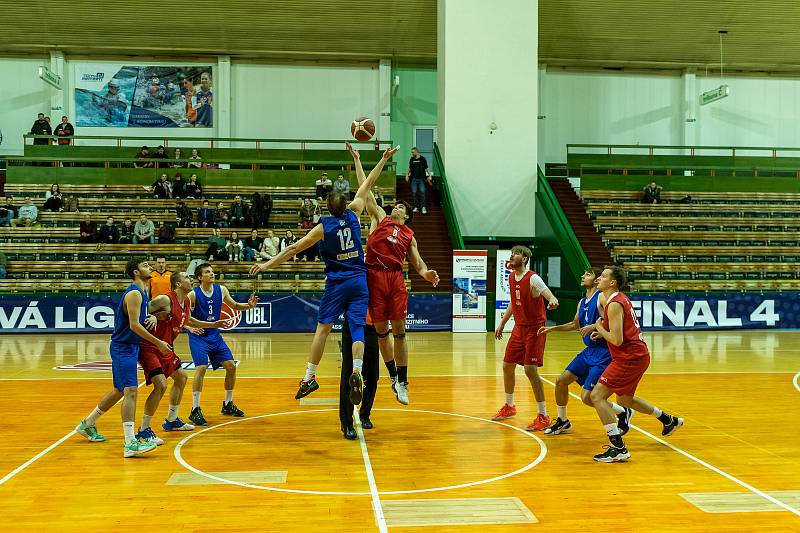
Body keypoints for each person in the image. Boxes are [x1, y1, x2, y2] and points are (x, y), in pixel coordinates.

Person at [250, 145, 400, 403]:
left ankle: (310, 377)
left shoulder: (322, 227)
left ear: (327, 208)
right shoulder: (354, 213)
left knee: (322, 329)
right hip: (358, 281)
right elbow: (369, 183)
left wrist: (266, 265)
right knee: (357, 331)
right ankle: (356, 370)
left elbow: (294, 248)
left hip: (337, 283)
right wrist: (377, 159)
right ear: (346, 204)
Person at [348, 142, 439, 405]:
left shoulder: (409, 236)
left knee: (399, 331)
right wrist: (357, 160)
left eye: (401, 207)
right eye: (396, 205)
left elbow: (418, 264)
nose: (397, 207)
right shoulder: (379, 218)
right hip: (373, 276)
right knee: (381, 333)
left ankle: (404, 380)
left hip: (395, 279)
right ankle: (392, 377)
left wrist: (427, 274)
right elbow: (365, 189)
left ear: (407, 216)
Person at [74, 258, 170, 457]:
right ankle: (130, 443)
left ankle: (87, 424)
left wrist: (154, 315)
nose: (150, 267)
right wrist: (158, 343)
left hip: (130, 347)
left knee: (119, 390)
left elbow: (144, 315)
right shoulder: (134, 293)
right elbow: (135, 325)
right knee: (131, 391)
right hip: (123, 347)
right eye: (145, 265)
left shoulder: (143, 292)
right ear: (135, 272)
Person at [589, 266, 684, 462]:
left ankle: (618, 447)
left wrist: (599, 327)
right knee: (625, 401)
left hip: (629, 357)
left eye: (604, 276)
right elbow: (619, 331)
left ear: (612, 283)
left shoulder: (614, 303)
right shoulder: (616, 299)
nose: (599, 278)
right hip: (636, 355)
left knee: (597, 396)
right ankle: (668, 420)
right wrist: (602, 330)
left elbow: (616, 340)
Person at [135, 272, 229, 444]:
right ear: (178, 284)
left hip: (166, 347)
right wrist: (154, 316)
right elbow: (138, 311)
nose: (191, 279)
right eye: (187, 277)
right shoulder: (165, 299)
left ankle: (171, 420)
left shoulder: (185, 301)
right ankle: (143, 431)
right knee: (161, 385)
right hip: (150, 346)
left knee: (181, 377)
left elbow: (189, 320)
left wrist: (213, 324)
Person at [538, 267, 630, 436]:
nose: (583, 275)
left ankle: (621, 412)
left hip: (603, 353)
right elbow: (575, 324)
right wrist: (552, 329)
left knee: (588, 398)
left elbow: (612, 319)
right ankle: (563, 421)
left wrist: (595, 326)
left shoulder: (602, 298)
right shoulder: (582, 302)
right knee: (561, 381)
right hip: (589, 352)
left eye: (587, 274)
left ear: (596, 280)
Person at [492, 245, 559, 431]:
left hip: (535, 329)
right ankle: (509, 406)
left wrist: (552, 300)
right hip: (519, 328)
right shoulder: (512, 277)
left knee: (530, 370)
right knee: (507, 365)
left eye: (517, 254)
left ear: (525, 259)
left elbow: (548, 294)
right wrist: (503, 324)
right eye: (512, 253)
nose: (513, 256)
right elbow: (514, 304)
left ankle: (543, 415)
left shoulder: (533, 278)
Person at [186, 263, 258, 426]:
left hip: (214, 335)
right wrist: (189, 327)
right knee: (201, 368)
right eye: (207, 272)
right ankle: (195, 409)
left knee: (231, 366)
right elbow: (183, 316)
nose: (212, 274)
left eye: (212, 271)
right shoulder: (193, 294)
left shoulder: (222, 290)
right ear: (199, 277)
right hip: (199, 336)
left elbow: (234, 306)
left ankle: (228, 404)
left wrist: (249, 306)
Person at [339, 317, 380, 440]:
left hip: (372, 326)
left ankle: (365, 414)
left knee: (373, 375)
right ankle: (347, 423)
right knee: (349, 377)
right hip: (352, 326)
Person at [406, 147, 430, 214]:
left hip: (421, 179)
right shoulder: (412, 159)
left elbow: (426, 168)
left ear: (416, 152)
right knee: (414, 193)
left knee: (422, 192)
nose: (412, 153)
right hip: (414, 179)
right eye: (412, 152)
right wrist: (407, 175)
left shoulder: (423, 159)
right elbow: (410, 168)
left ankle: (423, 207)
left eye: (413, 152)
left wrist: (430, 175)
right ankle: (416, 207)